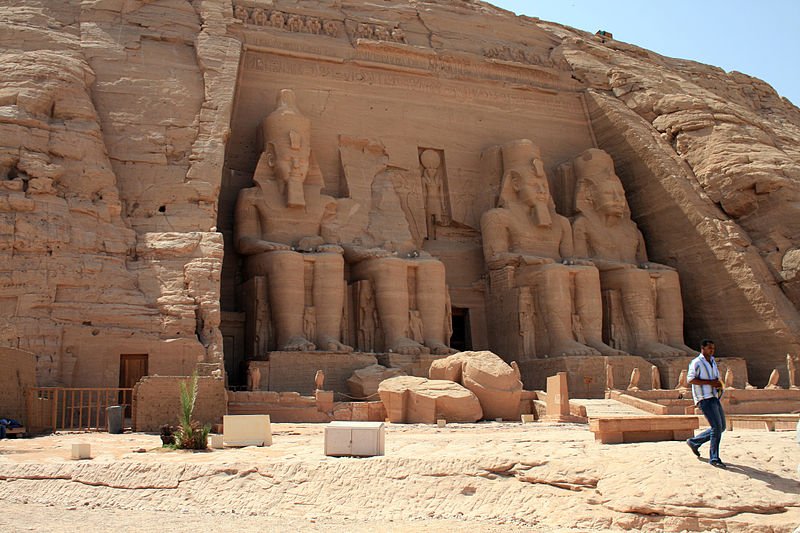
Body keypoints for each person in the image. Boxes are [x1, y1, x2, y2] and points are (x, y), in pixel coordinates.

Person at [686, 339, 727, 467]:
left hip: (714, 397)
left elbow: (716, 378)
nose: (712, 350)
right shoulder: (696, 362)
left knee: (722, 427)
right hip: (704, 398)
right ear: (702, 348)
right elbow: (691, 379)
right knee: (716, 427)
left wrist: (719, 384)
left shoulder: (713, 361)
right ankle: (714, 458)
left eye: (713, 348)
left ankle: (694, 442)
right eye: (709, 348)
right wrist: (710, 383)